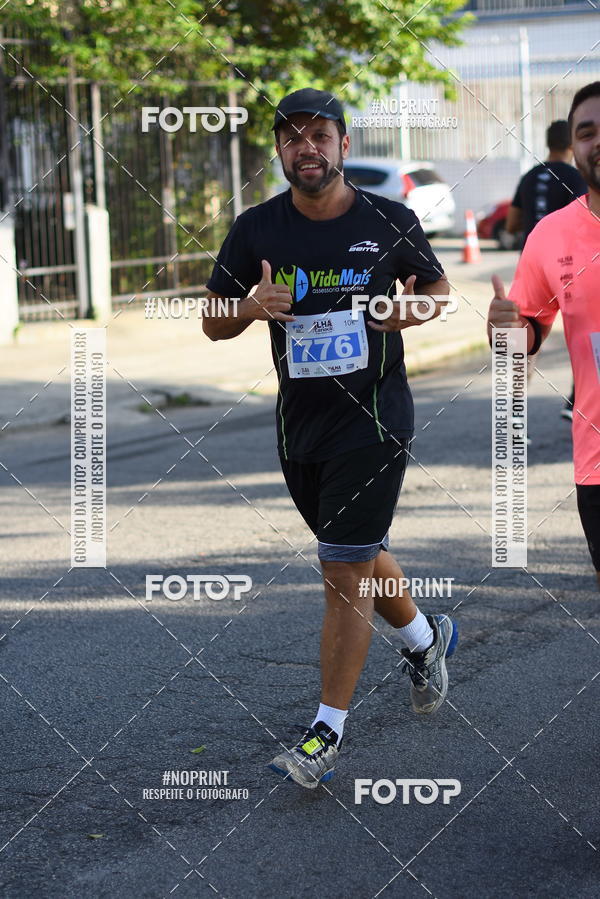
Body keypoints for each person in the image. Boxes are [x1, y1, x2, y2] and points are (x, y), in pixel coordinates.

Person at [203, 88, 459, 788]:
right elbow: (212, 319)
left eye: (319, 134)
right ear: (279, 152)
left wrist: (412, 310)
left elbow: (439, 291)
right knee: (360, 552)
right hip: (301, 429)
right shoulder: (257, 228)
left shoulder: (390, 218)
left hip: (375, 422)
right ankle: (427, 639)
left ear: (344, 144)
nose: (305, 147)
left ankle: (325, 732)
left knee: (341, 570)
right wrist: (248, 308)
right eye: (291, 137)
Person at [487, 81, 600, 588]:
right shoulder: (551, 235)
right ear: (573, 147)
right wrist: (509, 330)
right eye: (587, 131)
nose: (598, 141)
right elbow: (526, 332)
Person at [506, 120, 587, 421]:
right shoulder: (577, 177)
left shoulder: (529, 177)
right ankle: (576, 401)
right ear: (572, 145)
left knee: (527, 339)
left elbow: (512, 224)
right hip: (570, 266)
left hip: (532, 265)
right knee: (585, 330)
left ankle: (516, 415)